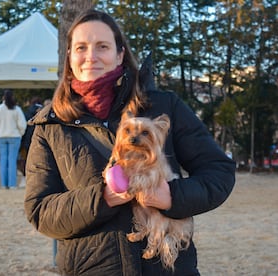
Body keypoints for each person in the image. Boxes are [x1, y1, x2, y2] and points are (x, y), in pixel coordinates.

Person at [23, 9, 236, 275]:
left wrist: (172, 196)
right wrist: (102, 198)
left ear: (120, 53)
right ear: (69, 55)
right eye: (81, 47)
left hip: (166, 267)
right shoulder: (49, 126)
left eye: (102, 46)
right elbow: (40, 212)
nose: (91, 56)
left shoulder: (164, 105)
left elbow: (220, 172)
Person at [0, 90, 27, 189]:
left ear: (3, 97)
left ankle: (3, 184)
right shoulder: (16, 109)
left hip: (1, 137)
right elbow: (22, 125)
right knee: (12, 160)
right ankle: (12, 184)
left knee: (3, 160)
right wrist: (20, 134)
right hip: (14, 136)